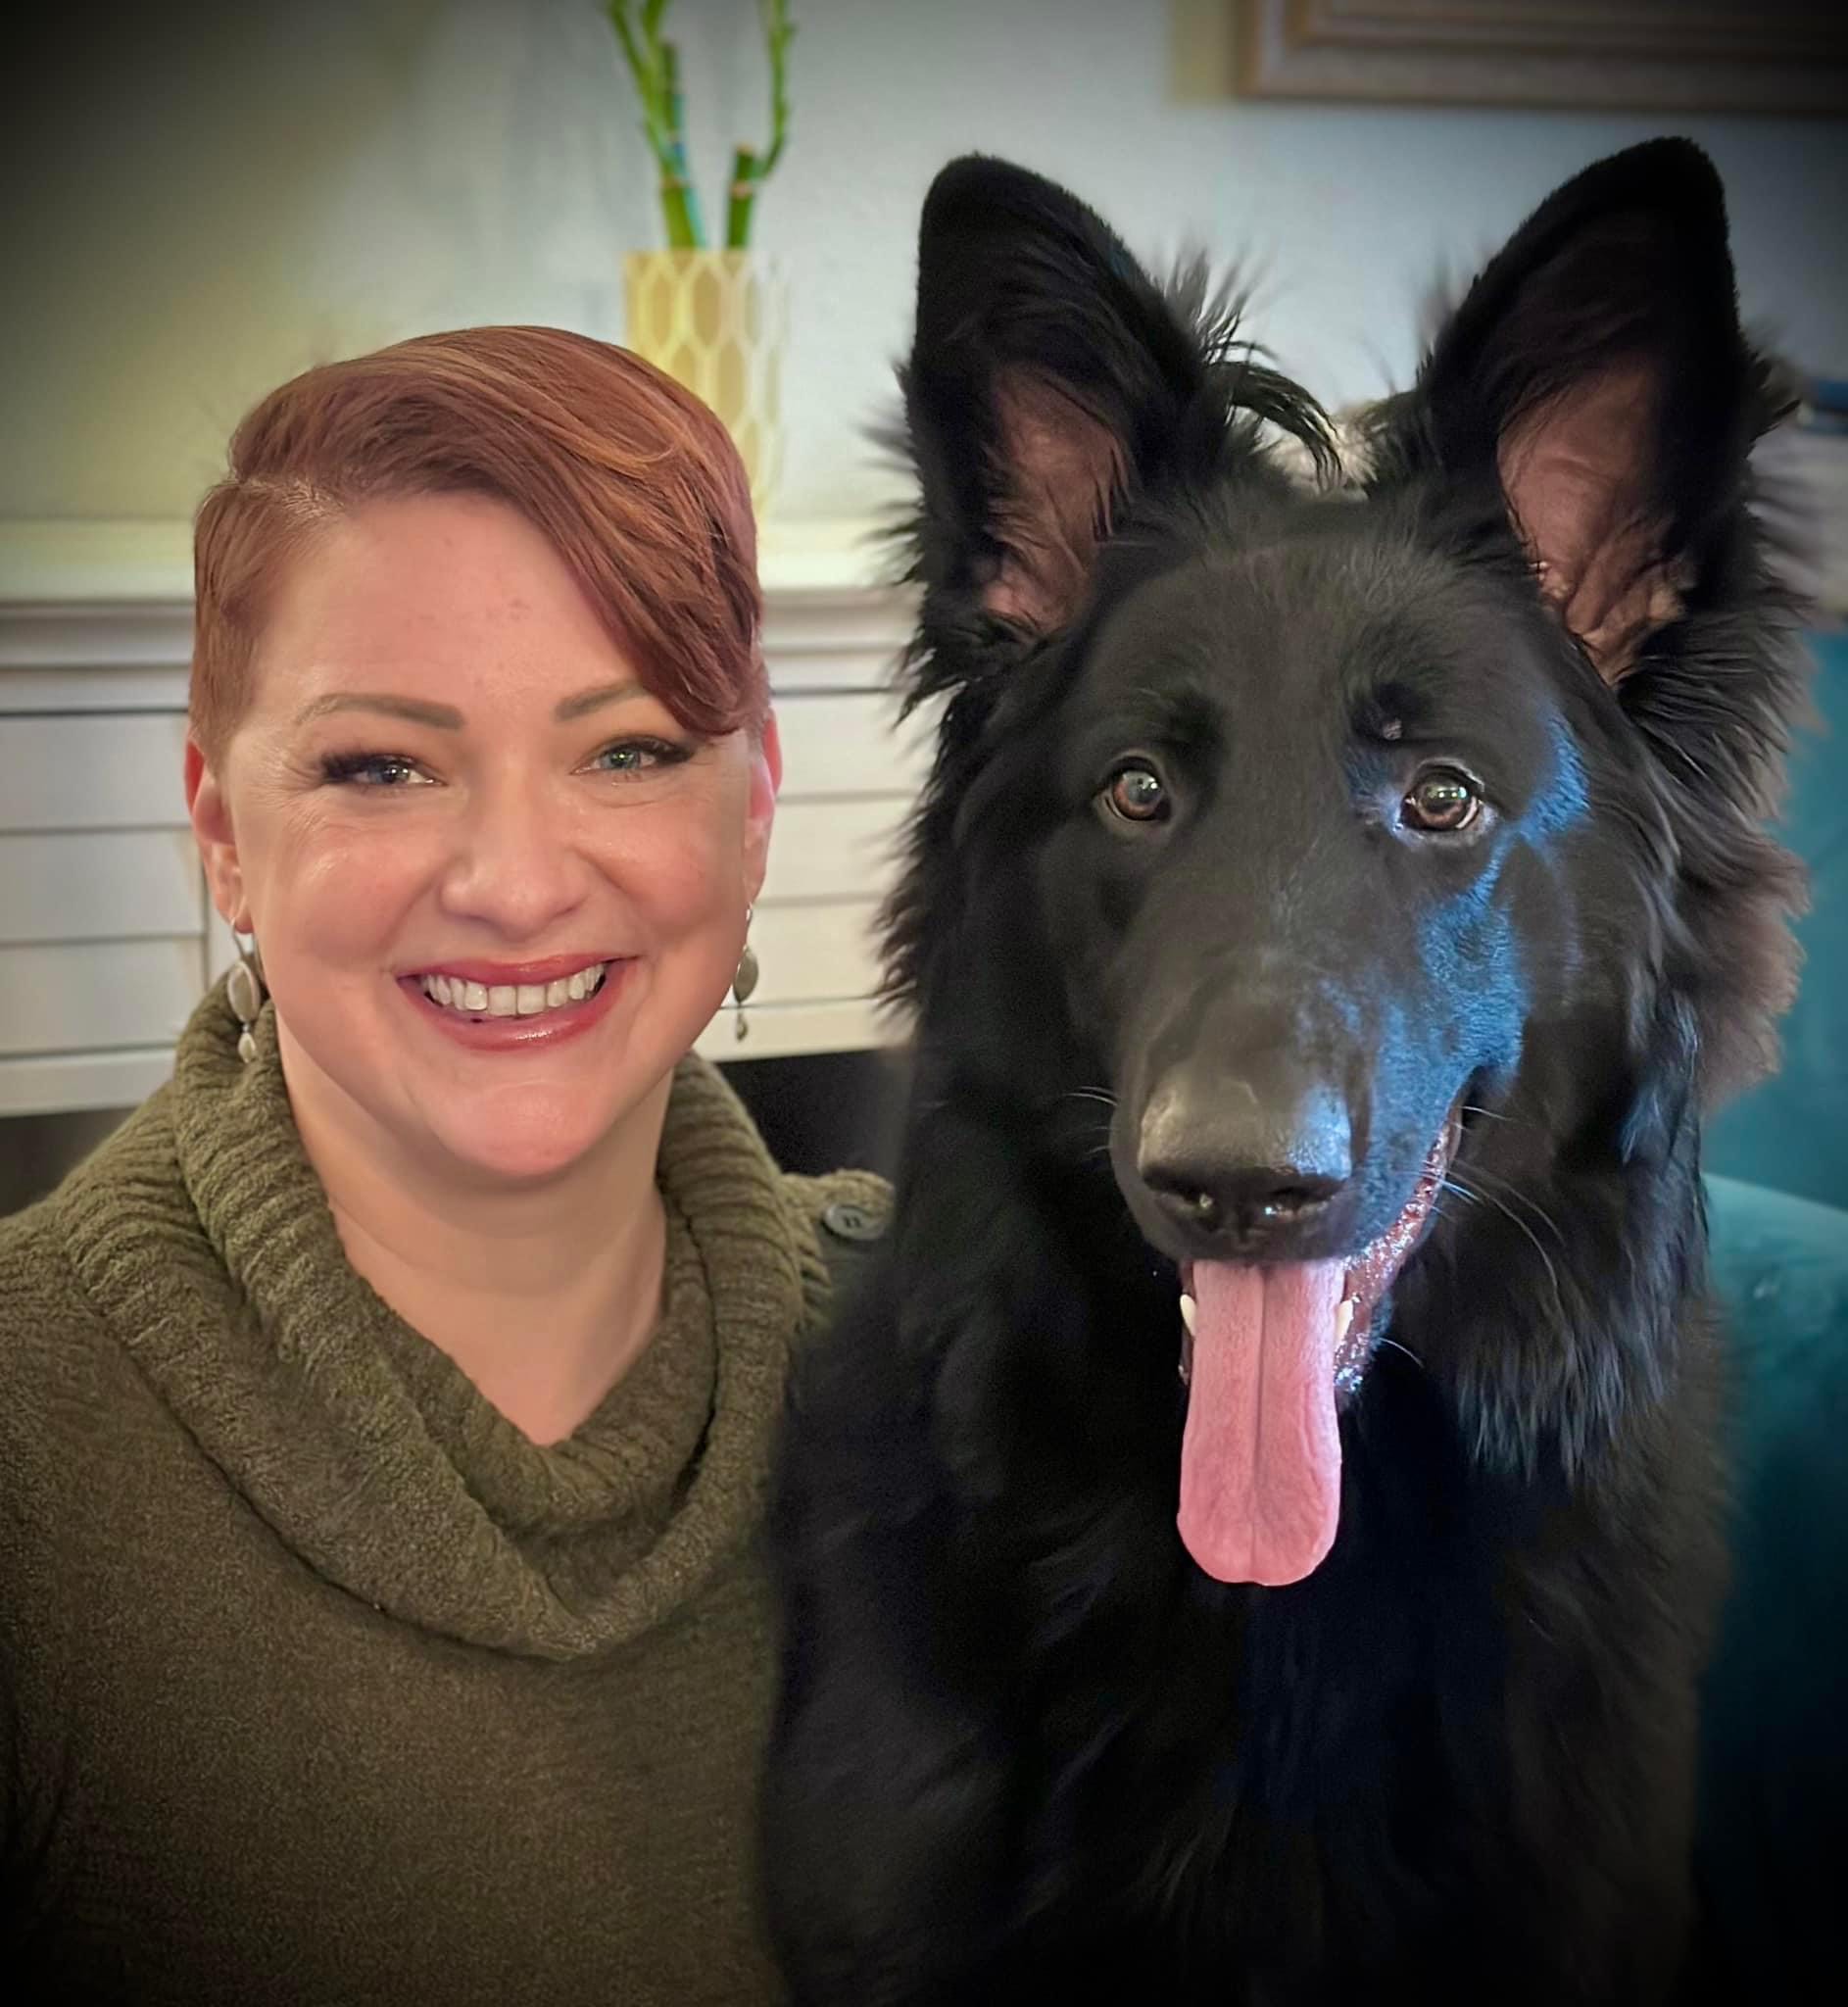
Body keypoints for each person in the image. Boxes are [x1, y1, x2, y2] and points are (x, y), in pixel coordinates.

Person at [0, 325, 887, 2005]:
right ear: (218, 832)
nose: (511, 880)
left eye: (625, 750)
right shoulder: (28, 1453)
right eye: (380, 768)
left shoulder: (945, 1345)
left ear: (754, 806)